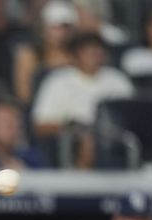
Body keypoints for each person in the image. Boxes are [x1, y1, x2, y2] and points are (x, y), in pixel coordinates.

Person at [31, 32, 133, 167]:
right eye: (88, 51)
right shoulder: (57, 80)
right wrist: (71, 127)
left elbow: (133, 117)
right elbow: (40, 126)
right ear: (75, 55)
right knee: (88, 140)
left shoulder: (118, 80)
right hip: (73, 137)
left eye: (98, 50)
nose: (94, 55)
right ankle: (80, 185)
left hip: (114, 136)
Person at [12, 0, 77, 105]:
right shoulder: (29, 55)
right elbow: (23, 96)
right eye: (54, 27)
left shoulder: (77, 56)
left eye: (64, 27)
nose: (59, 33)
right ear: (43, 28)